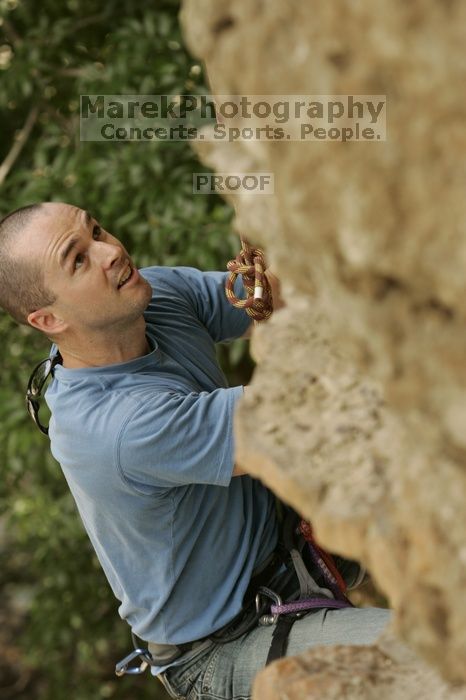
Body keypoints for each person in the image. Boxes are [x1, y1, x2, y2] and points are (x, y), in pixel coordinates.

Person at [0, 201, 391, 700]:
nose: (111, 251)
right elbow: (311, 417)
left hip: (281, 550)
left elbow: (274, 299)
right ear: (48, 318)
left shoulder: (149, 297)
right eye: (78, 259)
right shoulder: (118, 429)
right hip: (223, 650)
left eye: (97, 229)